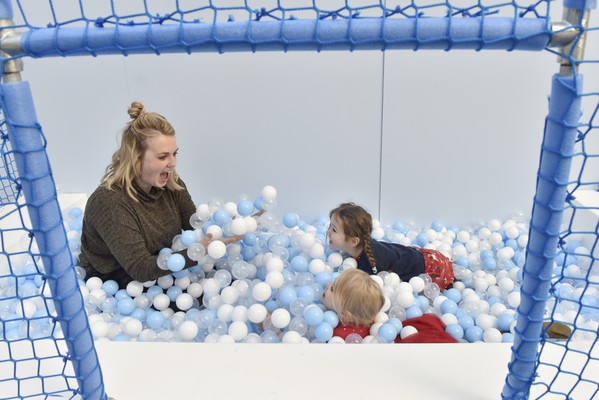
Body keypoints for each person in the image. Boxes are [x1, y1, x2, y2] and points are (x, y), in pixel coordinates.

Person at [79, 101, 240, 288]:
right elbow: (139, 268)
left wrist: (228, 225)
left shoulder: (171, 184)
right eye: (163, 157)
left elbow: (194, 226)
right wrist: (195, 252)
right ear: (136, 159)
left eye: (174, 154)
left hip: (161, 262)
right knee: (203, 297)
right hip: (116, 280)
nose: (173, 163)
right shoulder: (110, 201)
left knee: (228, 280)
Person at [327, 202, 454, 290]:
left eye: (334, 230)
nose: (328, 232)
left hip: (433, 268)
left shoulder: (370, 266)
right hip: (420, 256)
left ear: (354, 241)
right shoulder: (361, 247)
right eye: (330, 226)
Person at [322, 268, 457, 343]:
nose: (327, 286)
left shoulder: (338, 336)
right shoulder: (370, 318)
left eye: (332, 289)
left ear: (345, 315)